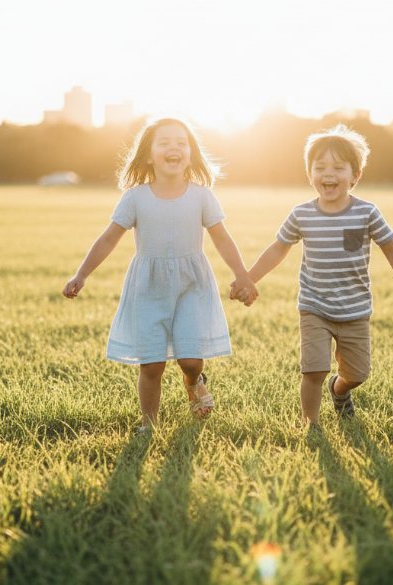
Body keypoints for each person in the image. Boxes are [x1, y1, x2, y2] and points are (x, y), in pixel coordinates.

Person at [63, 118, 257, 431]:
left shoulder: (201, 196)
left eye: (181, 143)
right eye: (164, 143)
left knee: (190, 359)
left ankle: (194, 381)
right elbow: (109, 238)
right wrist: (81, 275)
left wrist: (242, 275)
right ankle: (148, 424)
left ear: (190, 154)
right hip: (148, 287)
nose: (174, 148)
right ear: (149, 155)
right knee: (151, 364)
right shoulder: (135, 198)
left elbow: (222, 237)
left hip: (192, 284)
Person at [232, 125, 393, 425]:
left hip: (354, 309)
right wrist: (248, 278)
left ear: (355, 176)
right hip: (314, 307)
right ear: (310, 175)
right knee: (313, 370)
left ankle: (340, 389)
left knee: (358, 374)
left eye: (338, 167)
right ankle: (313, 426)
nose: (328, 173)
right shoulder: (301, 214)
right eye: (319, 167)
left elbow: (391, 248)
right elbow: (277, 249)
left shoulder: (366, 213)